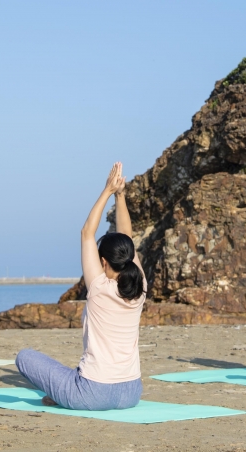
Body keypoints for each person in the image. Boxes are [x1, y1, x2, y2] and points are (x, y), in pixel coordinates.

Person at [16, 162, 146, 410]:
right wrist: (121, 195)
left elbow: (87, 232)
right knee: (69, 373)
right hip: (131, 392)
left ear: (103, 262)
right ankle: (63, 393)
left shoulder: (99, 288)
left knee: (25, 357)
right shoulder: (140, 287)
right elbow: (126, 236)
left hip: (93, 393)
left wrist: (108, 190)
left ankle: (64, 396)